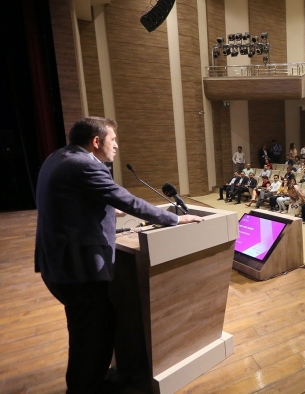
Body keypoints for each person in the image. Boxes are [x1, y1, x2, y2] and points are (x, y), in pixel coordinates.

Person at [35, 117, 203, 393]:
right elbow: (129, 200)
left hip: (58, 262)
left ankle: (91, 382)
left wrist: (107, 209)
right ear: (96, 141)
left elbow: (66, 203)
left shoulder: (57, 157)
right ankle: (84, 388)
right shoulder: (85, 165)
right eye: (113, 140)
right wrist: (174, 219)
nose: (116, 146)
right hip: (78, 268)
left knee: (90, 327)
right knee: (90, 333)